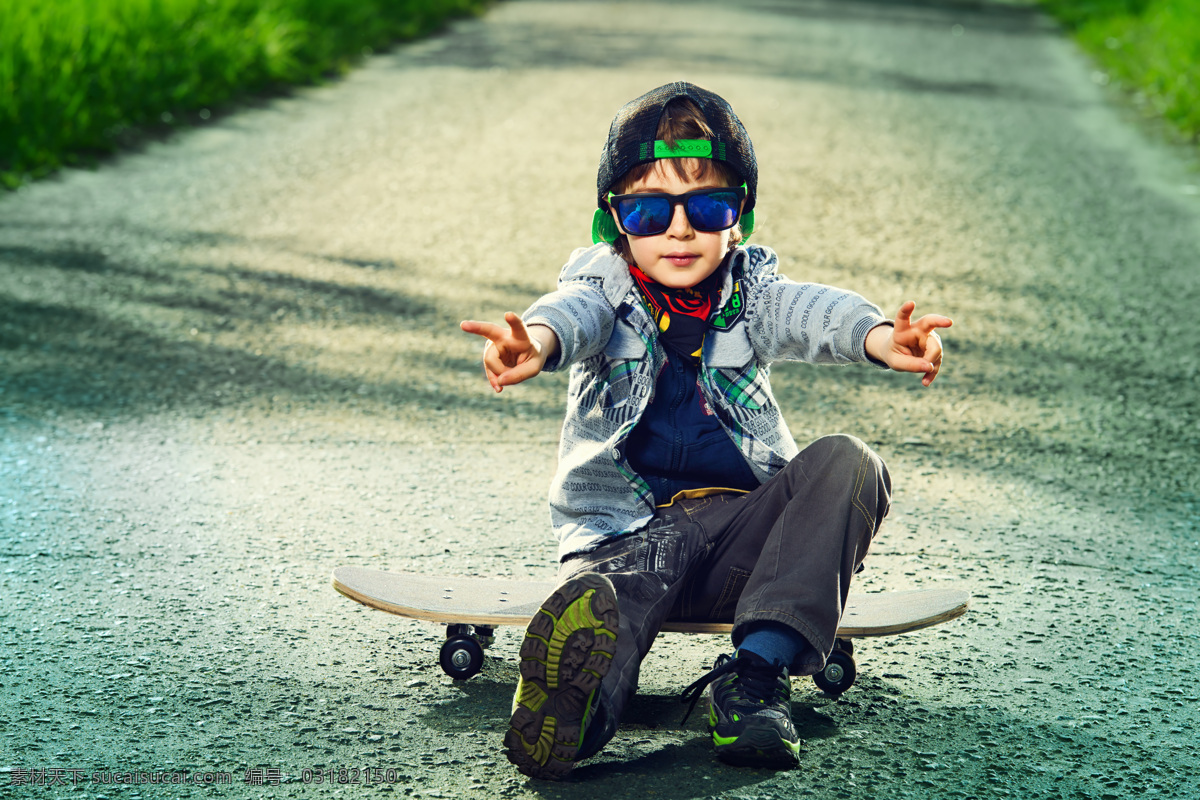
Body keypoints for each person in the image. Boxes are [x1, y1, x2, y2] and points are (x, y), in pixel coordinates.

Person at [460, 81, 951, 780]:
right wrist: (532, 344)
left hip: (740, 554)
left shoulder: (751, 294)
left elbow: (813, 312)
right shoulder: (604, 289)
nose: (680, 230)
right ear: (614, 223)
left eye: (708, 206)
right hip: (622, 547)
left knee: (851, 464)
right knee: (607, 605)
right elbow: (568, 317)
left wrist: (877, 335)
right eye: (651, 211)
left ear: (739, 218)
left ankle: (754, 683)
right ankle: (571, 710)